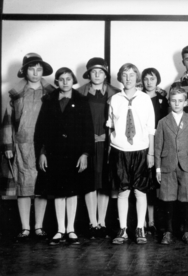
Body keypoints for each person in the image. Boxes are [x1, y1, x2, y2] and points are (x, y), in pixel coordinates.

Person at [35, 67, 95, 245]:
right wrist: (42, 153)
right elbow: (41, 130)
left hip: (74, 154)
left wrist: (84, 154)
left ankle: (71, 229)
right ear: (56, 82)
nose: (65, 82)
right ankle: (60, 229)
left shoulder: (82, 101)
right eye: (61, 79)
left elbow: (88, 130)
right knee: (58, 192)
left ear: (73, 80)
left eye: (68, 79)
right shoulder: (48, 101)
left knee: (72, 192)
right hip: (54, 154)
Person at [1, 53, 54, 241]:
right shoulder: (15, 94)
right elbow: (7, 121)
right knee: (23, 186)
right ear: (25, 71)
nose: (36, 73)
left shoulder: (51, 93)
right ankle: (25, 227)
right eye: (32, 68)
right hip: (22, 145)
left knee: (41, 186)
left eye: (39, 69)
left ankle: (39, 227)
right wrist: (8, 145)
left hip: (44, 147)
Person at [107, 63, 155, 245]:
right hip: (120, 151)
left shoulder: (144, 99)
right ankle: (123, 229)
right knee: (123, 191)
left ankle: (140, 228)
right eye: (125, 75)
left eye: (132, 75)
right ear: (120, 78)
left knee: (140, 192)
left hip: (141, 150)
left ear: (137, 78)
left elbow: (151, 129)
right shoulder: (114, 99)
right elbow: (110, 126)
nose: (128, 79)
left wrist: (150, 154)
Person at [77, 57, 121, 239]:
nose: (97, 74)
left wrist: (108, 137)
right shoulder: (79, 93)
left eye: (100, 71)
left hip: (108, 143)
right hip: (87, 144)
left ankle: (102, 222)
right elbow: (76, 122)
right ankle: (92, 222)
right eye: (93, 72)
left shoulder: (116, 93)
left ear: (105, 74)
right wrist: (87, 139)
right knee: (90, 182)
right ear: (88, 74)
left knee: (104, 182)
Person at [154, 88, 188, 245]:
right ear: (169, 101)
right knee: (168, 199)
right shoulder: (163, 122)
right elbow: (158, 146)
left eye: (180, 101)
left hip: (186, 164)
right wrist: (158, 168)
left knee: (186, 199)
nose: (177, 103)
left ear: (185, 102)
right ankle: (168, 231)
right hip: (167, 165)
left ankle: (186, 231)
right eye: (173, 100)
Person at [142, 67, 169, 236]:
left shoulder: (162, 99)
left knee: (155, 185)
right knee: (142, 184)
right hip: (142, 144)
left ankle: (152, 221)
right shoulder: (138, 97)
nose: (149, 82)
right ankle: (142, 221)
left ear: (157, 80)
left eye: (152, 79)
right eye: (146, 79)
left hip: (158, 144)